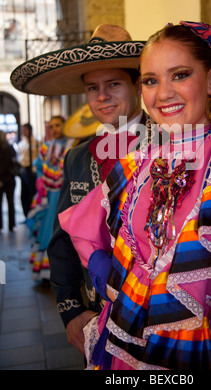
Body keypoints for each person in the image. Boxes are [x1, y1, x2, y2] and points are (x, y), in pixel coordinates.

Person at [59, 21, 211, 371]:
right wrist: (99, 263)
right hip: (125, 348)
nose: (163, 94)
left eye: (180, 75)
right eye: (151, 81)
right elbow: (81, 224)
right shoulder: (134, 167)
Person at [10, 24, 147, 356]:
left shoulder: (172, 143)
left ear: (137, 85)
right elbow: (62, 240)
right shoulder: (76, 156)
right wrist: (70, 310)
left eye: (113, 84)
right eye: (92, 87)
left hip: (162, 314)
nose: (101, 97)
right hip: (97, 311)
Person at [28, 115, 76, 283]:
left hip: (65, 196)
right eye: (52, 126)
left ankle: (65, 272)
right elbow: (40, 168)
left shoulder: (73, 145)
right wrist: (41, 182)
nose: (55, 129)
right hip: (49, 198)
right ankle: (47, 272)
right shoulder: (46, 147)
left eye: (58, 125)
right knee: (47, 231)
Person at [17, 123, 38, 218]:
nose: (23, 132)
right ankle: (26, 214)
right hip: (23, 169)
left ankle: (32, 214)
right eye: (22, 130)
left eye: (25, 129)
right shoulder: (22, 143)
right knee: (23, 194)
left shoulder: (35, 142)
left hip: (32, 169)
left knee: (32, 192)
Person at [0, 130, 17, 232]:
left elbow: (5, 165)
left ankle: (2, 225)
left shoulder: (6, 148)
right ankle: (11, 224)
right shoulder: (9, 147)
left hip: (4, 179)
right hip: (10, 179)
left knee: (5, 202)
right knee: (10, 202)